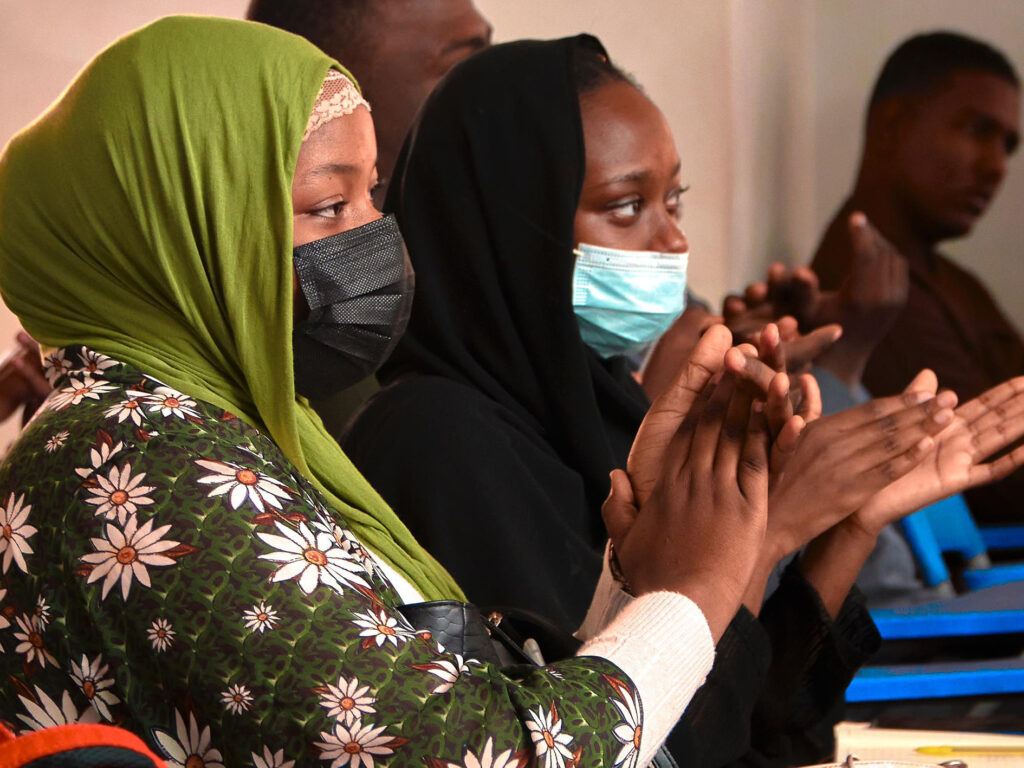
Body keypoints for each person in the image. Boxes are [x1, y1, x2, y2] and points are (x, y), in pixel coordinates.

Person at [0, 16, 782, 767]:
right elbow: (476, 754)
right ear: (182, 231)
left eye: (372, 194)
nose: (376, 236)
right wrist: (696, 590)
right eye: (329, 206)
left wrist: (634, 587)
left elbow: (465, 708)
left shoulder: (226, 429)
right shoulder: (137, 461)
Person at [343, 36, 1024, 766]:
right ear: (509, 226)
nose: (673, 239)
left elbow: (774, 723)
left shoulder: (604, 407)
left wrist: (853, 520)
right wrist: (766, 534)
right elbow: (644, 741)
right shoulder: (436, 439)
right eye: (626, 205)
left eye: (674, 200)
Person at [810, 31, 1024, 523]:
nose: (997, 166)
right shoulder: (865, 289)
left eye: (1008, 146)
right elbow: (1000, 476)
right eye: (978, 130)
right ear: (892, 125)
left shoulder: (954, 279)